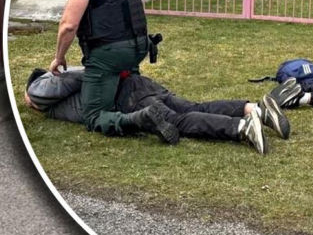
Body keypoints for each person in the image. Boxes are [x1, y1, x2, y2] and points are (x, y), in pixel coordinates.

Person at [53, 0, 174, 141]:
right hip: (138, 48)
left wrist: (59, 57)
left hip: (109, 55)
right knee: (127, 95)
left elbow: (69, 25)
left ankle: (140, 119)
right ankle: (151, 105)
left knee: (93, 116)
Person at [25, 67, 298, 155]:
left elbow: (50, 89)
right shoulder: (59, 109)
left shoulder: (44, 88)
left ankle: (240, 128)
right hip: (137, 86)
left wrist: (31, 92)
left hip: (129, 97)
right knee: (193, 107)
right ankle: (256, 110)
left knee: (179, 121)